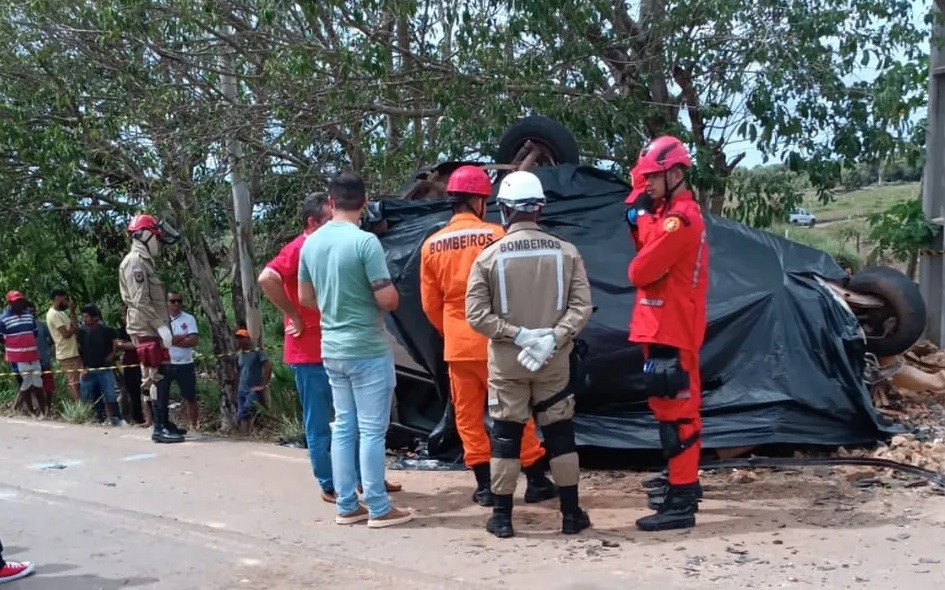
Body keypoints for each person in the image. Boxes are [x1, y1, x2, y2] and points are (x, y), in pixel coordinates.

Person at [465, 170, 594, 539]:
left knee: (506, 437)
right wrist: (552, 339)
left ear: (504, 210)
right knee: (560, 435)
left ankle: (502, 519)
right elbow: (582, 307)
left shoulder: (488, 257)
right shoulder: (566, 252)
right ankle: (571, 514)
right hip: (554, 363)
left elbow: (476, 315)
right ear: (539, 208)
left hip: (507, 363)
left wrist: (517, 334)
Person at [420, 165, 557, 507]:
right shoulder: (498, 235)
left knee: (467, 415)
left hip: (458, 345)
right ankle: (537, 479)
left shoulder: (431, 245)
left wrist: (450, 330)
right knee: (513, 410)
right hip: (498, 340)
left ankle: (484, 486)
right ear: (479, 201)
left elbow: (429, 304)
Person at [259, 193, 402, 503]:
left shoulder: (332, 243)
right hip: (310, 348)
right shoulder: (304, 246)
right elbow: (267, 277)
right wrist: (294, 314)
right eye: (328, 218)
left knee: (352, 421)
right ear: (313, 222)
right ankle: (330, 484)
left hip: (333, 346)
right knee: (325, 422)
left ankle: (364, 479)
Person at [298, 171, 413, 529]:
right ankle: (378, 506)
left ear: (330, 204)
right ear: (364, 202)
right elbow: (386, 298)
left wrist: (336, 303)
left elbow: (304, 298)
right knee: (372, 430)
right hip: (367, 346)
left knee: (344, 426)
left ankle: (347, 505)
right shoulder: (365, 243)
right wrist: (389, 295)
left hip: (331, 348)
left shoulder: (310, 244)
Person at [624, 135, 709, 532]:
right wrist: (640, 216)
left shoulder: (679, 221)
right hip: (662, 326)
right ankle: (682, 485)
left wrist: (640, 218)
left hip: (671, 327)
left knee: (678, 415)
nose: (646, 187)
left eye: (653, 179)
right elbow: (647, 250)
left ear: (675, 174)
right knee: (670, 410)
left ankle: (681, 498)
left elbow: (640, 270)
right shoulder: (668, 216)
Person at [118, 212, 187, 444]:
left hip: (153, 327)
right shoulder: (134, 262)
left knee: (164, 373)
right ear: (145, 235)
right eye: (155, 236)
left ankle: (164, 421)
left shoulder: (145, 261)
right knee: (155, 376)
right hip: (146, 327)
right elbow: (139, 301)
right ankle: (158, 427)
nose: (158, 241)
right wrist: (160, 327)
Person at [77, 304, 125, 426]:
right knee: (85, 396)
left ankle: (115, 418)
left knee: (110, 395)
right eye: (84, 317)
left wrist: (111, 356)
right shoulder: (81, 331)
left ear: (94, 318)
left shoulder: (107, 330)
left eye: (87, 316)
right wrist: (82, 368)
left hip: (104, 369)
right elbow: (79, 351)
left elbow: (116, 346)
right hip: (88, 369)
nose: (85, 319)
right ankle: (89, 417)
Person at [0, 291, 45, 417]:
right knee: (26, 382)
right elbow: (1, 337)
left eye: (20, 301)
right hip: (17, 357)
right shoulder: (3, 319)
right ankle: (31, 411)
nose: (18, 304)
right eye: (15, 302)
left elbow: (34, 333)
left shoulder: (29, 316)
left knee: (38, 382)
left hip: (32, 354)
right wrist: (13, 343)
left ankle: (43, 411)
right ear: (10, 303)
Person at [166, 292, 201, 431]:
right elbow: (162, 342)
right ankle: (164, 423)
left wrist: (172, 340)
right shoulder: (162, 320)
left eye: (179, 301)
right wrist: (180, 338)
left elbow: (193, 340)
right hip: (167, 362)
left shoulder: (189, 318)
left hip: (185, 362)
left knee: (190, 395)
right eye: (173, 301)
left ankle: (194, 424)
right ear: (167, 302)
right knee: (163, 395)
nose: (176, 304)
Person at [46, 289, 82, 401]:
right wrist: (71, 329)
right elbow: (66, 334)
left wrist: (72, 312)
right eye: (66, 299)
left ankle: (80, 405)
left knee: (78, 382)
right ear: (58, 298)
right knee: (74, 383)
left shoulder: (61, 313)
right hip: (66, 354)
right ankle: (78, 408)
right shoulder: (53, 314)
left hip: (73, 352)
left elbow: (76, 328)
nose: (67, 302)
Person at [233, 328, 271, 435]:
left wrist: (263, 385)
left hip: (253, 388)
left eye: (242, 338)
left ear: (248, 339)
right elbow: (237, 372)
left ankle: (253, 432)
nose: (239, 341)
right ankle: (245, 436)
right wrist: (236, 389)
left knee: (248, 409)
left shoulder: (257, 352)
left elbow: (267, 367)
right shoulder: (238, 355)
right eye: (238, 339)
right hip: (241, 388)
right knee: (241, 413)